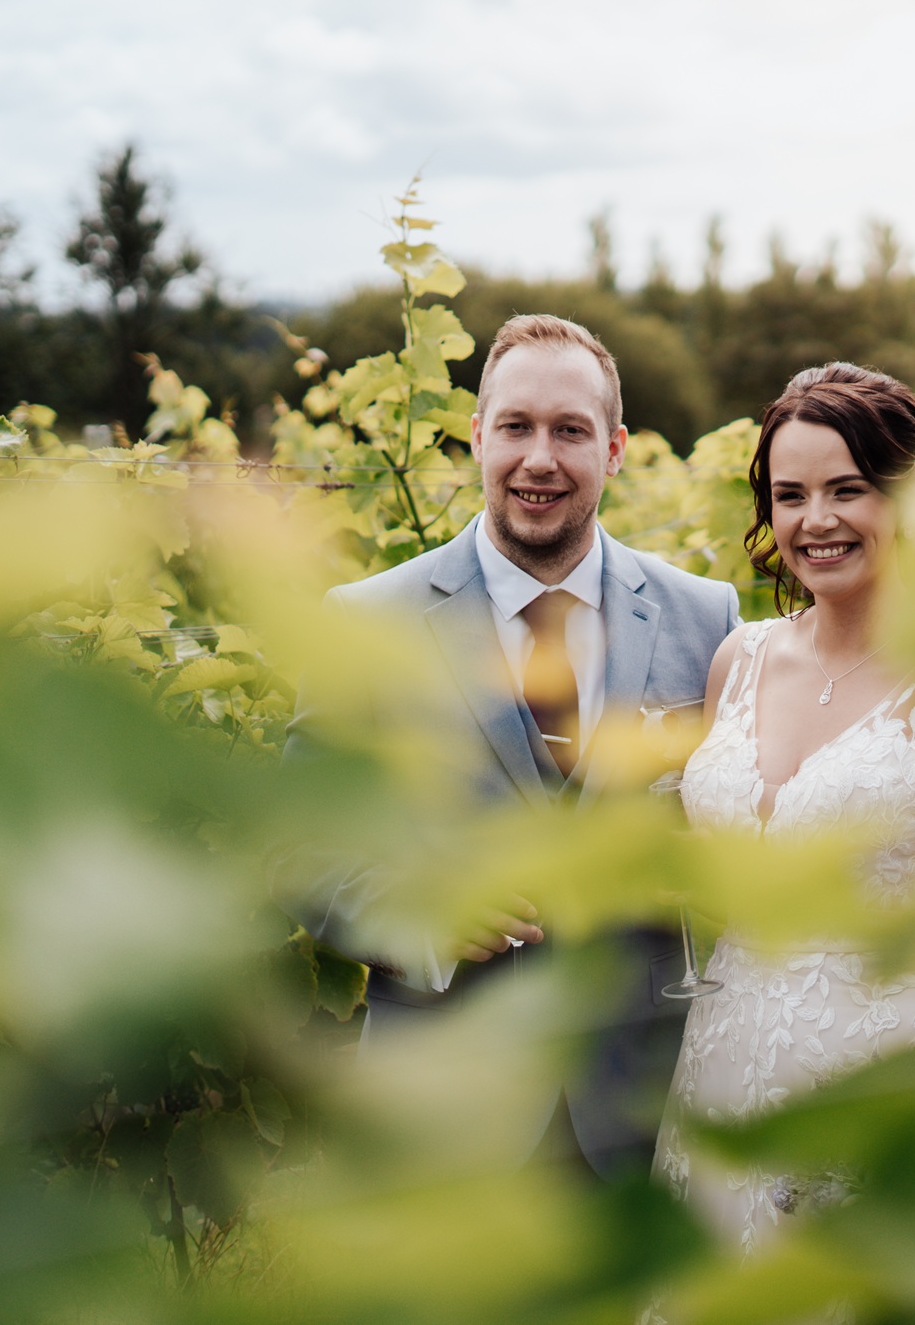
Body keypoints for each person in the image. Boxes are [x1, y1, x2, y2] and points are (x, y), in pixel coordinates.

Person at [293, 313, 742, 1180]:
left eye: (569, 430)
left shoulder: (705, 616)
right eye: (516, 427)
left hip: (642, 1101)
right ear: (475, 438)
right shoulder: (365, 622)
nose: (540, 458)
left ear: (613, 450)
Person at [655, 362, 915, 1252]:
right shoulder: (738, 660)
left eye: (848, 489)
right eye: (789, 494)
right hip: (725, 1061)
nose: (816, 519)